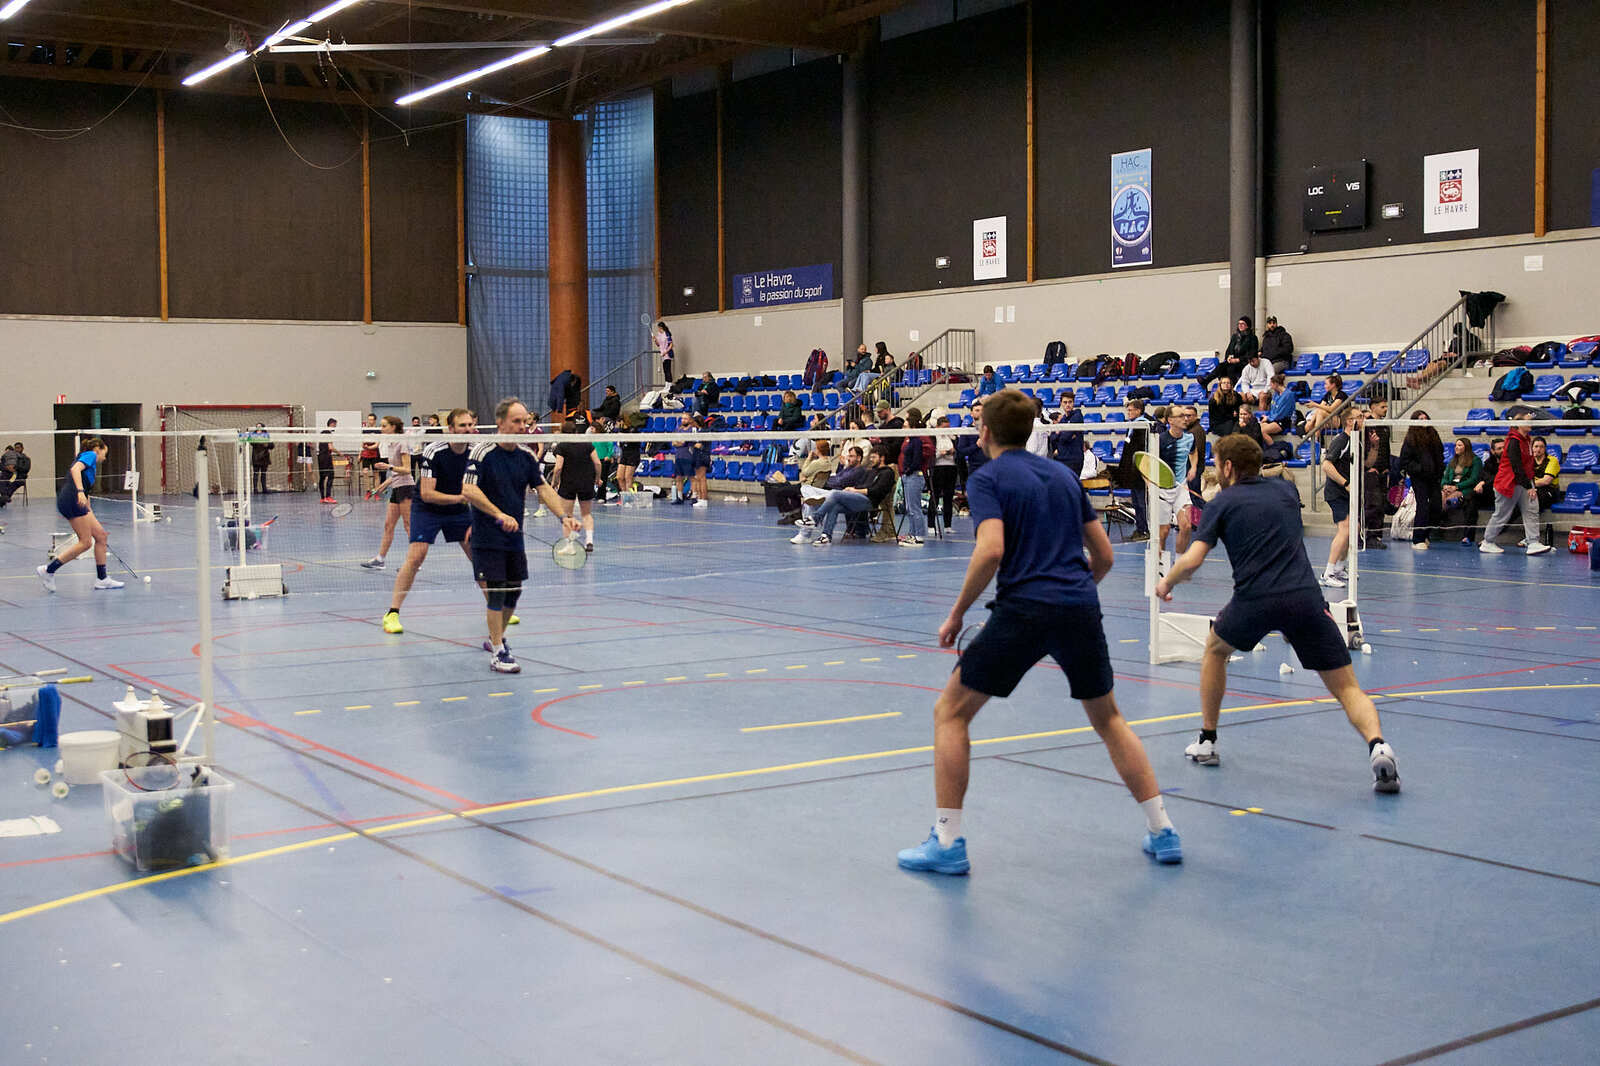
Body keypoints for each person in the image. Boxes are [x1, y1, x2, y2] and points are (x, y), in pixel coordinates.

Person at [896, 389, 1182, 875]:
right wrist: (1072, 594)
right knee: (1110, 719)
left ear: (985, 431)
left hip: (1023, 610)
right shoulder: (1064, 476)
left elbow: (991, 549)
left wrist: (957, 613)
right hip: (1079, 607)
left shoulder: (987, 479)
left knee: (950, 714)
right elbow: (1104, 557)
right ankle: (1163, 829)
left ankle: (946, 841)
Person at [1155, 434, 1400, 793]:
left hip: (1254, 600)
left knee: (1215, 650)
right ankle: (1378, 746)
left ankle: (1207, 740)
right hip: (1305, 598)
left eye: (1217, 464)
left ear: (1227, 467)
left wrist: (1167, 582)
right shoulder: (1286, 492)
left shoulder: (1221, 503)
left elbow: (1192, 560)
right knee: (1348, 687)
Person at [461, 398, 579, 672]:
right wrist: (499, 514)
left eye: (525, 421)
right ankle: (498, 651)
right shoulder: (482, 451)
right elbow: (468, 490)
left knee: (513, 592)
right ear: (500, 423)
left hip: (515, 537)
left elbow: (544, 488)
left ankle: (497, 638)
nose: (523, 426)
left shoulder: (526, 456)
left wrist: (564, 516)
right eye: (516, 421)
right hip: (487, 535)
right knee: (497, 593)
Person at [382, 408, 479, 634]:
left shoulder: (476, 452)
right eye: (462, 426)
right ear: (451, 429)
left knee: (478, 554)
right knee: (416, 556)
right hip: (427, 508)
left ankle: (497, 608)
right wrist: (461, 498)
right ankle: (392, 613)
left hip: (458, 508)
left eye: (470, 425)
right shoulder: (434, 451)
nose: (467, 430)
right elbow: (427, 493)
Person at [38, 436, 124, 591]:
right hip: (72, 499)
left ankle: (102, 579)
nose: (105, 458)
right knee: (86, 542)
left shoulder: (88, 461)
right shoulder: (91, 455)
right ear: (98, 449)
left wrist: (88, 507)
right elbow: (75, 470)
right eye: (105, 453)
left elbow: (85, 488)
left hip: (75, 501)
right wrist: (79, 492)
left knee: (101, 536)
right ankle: (48, 570)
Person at [1479, 410, 1550, 555]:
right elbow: (1516, 467)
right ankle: (1487, 541)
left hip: (1523, 482)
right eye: (1527, 421)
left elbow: (1528, 464)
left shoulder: (1527, 440)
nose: (1530, 423)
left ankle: (1533, 542)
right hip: (1508, 483)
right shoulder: (1513, 442)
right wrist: (1528, 486)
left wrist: (1531, 484)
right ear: (1519, 424)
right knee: (1502, 514)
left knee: (1531, 509)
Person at [360, 416, 416, 569]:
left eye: (384, 426)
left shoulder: (402, 443)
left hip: (406, 488)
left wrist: (387, 467)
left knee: (408, 525)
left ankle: (414, 561)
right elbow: (396, 474)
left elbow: (407, 470)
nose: (381, 428)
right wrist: (380, 487)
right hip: (397, 488)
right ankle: (380, 559)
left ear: (393, 427)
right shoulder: (390, 444)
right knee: (388, 525)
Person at [1319, 408, 1360, 587]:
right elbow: (1326, 465)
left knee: (1354, 528)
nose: (1364, 419)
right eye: (1360, 417)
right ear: (1350, 421)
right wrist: (1346, 484)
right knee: (1345, 529)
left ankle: (1339, 568)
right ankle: (1327, 573)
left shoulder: (1357, 441)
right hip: (1337, 492)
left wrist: (1374, 447)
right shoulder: (1341, 440)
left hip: (1348, 493)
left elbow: (1368, 463)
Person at [550, 419, 600, 552]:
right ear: (575, 431)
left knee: (568, 516)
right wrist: (597, 478)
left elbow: (558, 467)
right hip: (586, 482)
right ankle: (589, 541)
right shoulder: (587, 443)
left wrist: (554, 481)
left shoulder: (562, 446)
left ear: (562, 432)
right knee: (586, 514)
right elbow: (597, 463)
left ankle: (570, 546)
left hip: (568, 483)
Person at [1153, 406, 1195, 560]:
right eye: (1180, 416)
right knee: (1163, 533)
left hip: (1181, 488)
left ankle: (1178, 563)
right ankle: (1159, 565)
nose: (1185, 418)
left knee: (1187, 526)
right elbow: (1149, 463)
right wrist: (1150, 484)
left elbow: (1193, 452)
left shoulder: (1190, 438)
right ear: (1170, 420)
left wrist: (1193, 467)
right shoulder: (1160, 440)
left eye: (1186, 415)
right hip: (1162, 490)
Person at [1397, 411, 1444, 550]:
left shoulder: (1434, 435)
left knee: (1436, 506)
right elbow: (1405, 460)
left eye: (1425, 418)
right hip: (1419, 478)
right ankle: (1418, 538)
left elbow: (1440, 454)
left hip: (1434, 477)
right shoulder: (1410, 439)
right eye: (1420, 418)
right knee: (1422, 506)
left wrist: (1439, 470)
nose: (1424, 420)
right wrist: (1420, 469)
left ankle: (1426, 534)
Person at [1114, 397, 1153, 541]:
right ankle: (1140, 528)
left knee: (1142, 502)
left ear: (1139, 410)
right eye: (1128, 410)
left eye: (1131, 410)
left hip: (1140, 470)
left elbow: (1141, 449)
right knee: (1136, 502)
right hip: (1132, 471)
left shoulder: (1143, 425)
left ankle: (1146, 530)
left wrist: (1141, 470)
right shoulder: (1132, 425)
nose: (1128, 412)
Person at [1362, 396, 1393, 550]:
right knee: (1372, 505)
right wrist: (1368, 468)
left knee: (1381, 505)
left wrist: (1387, 467)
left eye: (1386, 406)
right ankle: (1367, 536)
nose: (1385, 409)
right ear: (1373, 407)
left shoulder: (1385, 426)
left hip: (1383, 471)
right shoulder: (1366, 425)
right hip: (1370, 472)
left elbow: (1385, 449)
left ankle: (1377, 536)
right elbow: (1364, 447)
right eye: (1382, 407)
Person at [897, 408, 931, 547]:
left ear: (912, 427)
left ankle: (919, 536)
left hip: (914, 476)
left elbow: (917, 461)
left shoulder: (917, 441)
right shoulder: (909, 440)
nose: (903, 429)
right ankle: (912, 534)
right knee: (909, 508)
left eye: (905, 426)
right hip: (907, 476)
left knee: (915, 508)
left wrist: (908, 470)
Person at [1441, 437, 1483, 543]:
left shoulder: (1475, 460)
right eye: (1456, 445)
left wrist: (1456, 487)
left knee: (1448, 500)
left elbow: (1473, 479)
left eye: (1459, 445)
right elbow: (1445, 477)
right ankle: (1438, 526)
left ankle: (1440, 526)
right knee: (1439, 497)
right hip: (1450, 487)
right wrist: (1445, 486)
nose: (1456, 447)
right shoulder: (1453, 461)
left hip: (1464, 489)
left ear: (1466, 447)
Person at [928, 413, 958, 532]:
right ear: (938, 427)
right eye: (944, 427)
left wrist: (953, 451)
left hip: (951, 467)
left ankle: (947, 525)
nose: (946, 430)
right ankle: (931, 525)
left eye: (948, 427)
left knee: (949, 496)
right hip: (938, 468)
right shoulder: (933, 437)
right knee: (935, 496)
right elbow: (931, 455)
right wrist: (941, 453)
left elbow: (958, 451)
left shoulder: (952, 437)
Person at [1050, 390, 1085, 476]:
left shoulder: (1077, 415)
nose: (1067, 405)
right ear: (1061, 403)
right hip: (1061, 459)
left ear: (1073, 403)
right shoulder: (1062, 419)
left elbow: (1065, 437)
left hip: (1074, 460)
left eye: (1070, 402)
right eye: (1065, 402)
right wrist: (1061, 434)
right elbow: (1052, 438)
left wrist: (1059, 433)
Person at [613, 412, 644, 504]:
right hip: (624, 454)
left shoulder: (633, 430)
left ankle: (629, 499)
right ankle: (624, 496)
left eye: (618, 422)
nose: (617, 424)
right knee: (619, 477)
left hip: (633, 454)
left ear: (622, 421)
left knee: (628, 477)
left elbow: (636, 444)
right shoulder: (620, 431)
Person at [1260, 374, 1298, 444]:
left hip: (1284, 421)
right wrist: (1268, 418)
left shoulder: (1288, 395)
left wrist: (1268, 418)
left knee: (1262, 431)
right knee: (1257, 428)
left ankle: (1273, 448)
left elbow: (1281, 413)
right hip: (1273, 419)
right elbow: (1273, 409)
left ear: (1276, 384)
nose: (1270, 386)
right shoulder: (1276, 394)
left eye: (1271, 384)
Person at [1530, 436, 1563, 511]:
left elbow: (1546, 481)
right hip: (1534, 489)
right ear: (1532, 448)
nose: (1538, 449)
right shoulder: (1529, 461)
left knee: (1531, 499)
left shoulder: (1552, 460)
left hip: (1550, 491)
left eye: (1541, 447)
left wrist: (1528, 485)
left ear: (1545, 449)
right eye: (1536, 446)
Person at [0, 441, 30, 506]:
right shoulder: (8, 458)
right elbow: (1, 466)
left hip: (20, 477)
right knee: (2, 479)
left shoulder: (26, 458)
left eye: (18, 448)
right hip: (8, 476)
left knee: (12, 483)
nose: (16, 449)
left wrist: (15, 468)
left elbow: (26, 469)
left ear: (22, 448)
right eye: (15, 448)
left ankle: (3, 499)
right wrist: (7, 468)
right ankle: (5, 497)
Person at [317, 418, 339, 503]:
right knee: (331, 475)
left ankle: (322, 498)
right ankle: (328, 497)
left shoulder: (322, 433)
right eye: (335, 425)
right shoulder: (329, 433)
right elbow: (330, 447)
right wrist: (339, 453)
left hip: (320, 457)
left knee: (322, 477)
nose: (335, 427)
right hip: (326, 457)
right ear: (332, 424)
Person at [358, 414, 381, 494]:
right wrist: (360, 454)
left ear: (375, 420)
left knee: (376, 473)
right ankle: (368, 491)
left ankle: (376, 491)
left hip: (375, 454)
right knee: (365, 472)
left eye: (371, 419)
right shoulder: (365, 430)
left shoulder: (378, 430)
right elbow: (362, 442)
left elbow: (377, 444)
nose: (370, 421)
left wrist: (369, 447)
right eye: (369, 419)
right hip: (366, 454)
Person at [249, 423, 273, 494]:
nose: (258, 428)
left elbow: (272, 446)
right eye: (257, 426)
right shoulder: (253, 435)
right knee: (255, 474)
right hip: (256, 458)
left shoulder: (267, 435)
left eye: (260, 426)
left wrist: (267, 445)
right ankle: (255, 489)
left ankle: (264, 489)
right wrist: (258, 438)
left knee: (263, 474)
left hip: (265, 457)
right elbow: (251, 443)